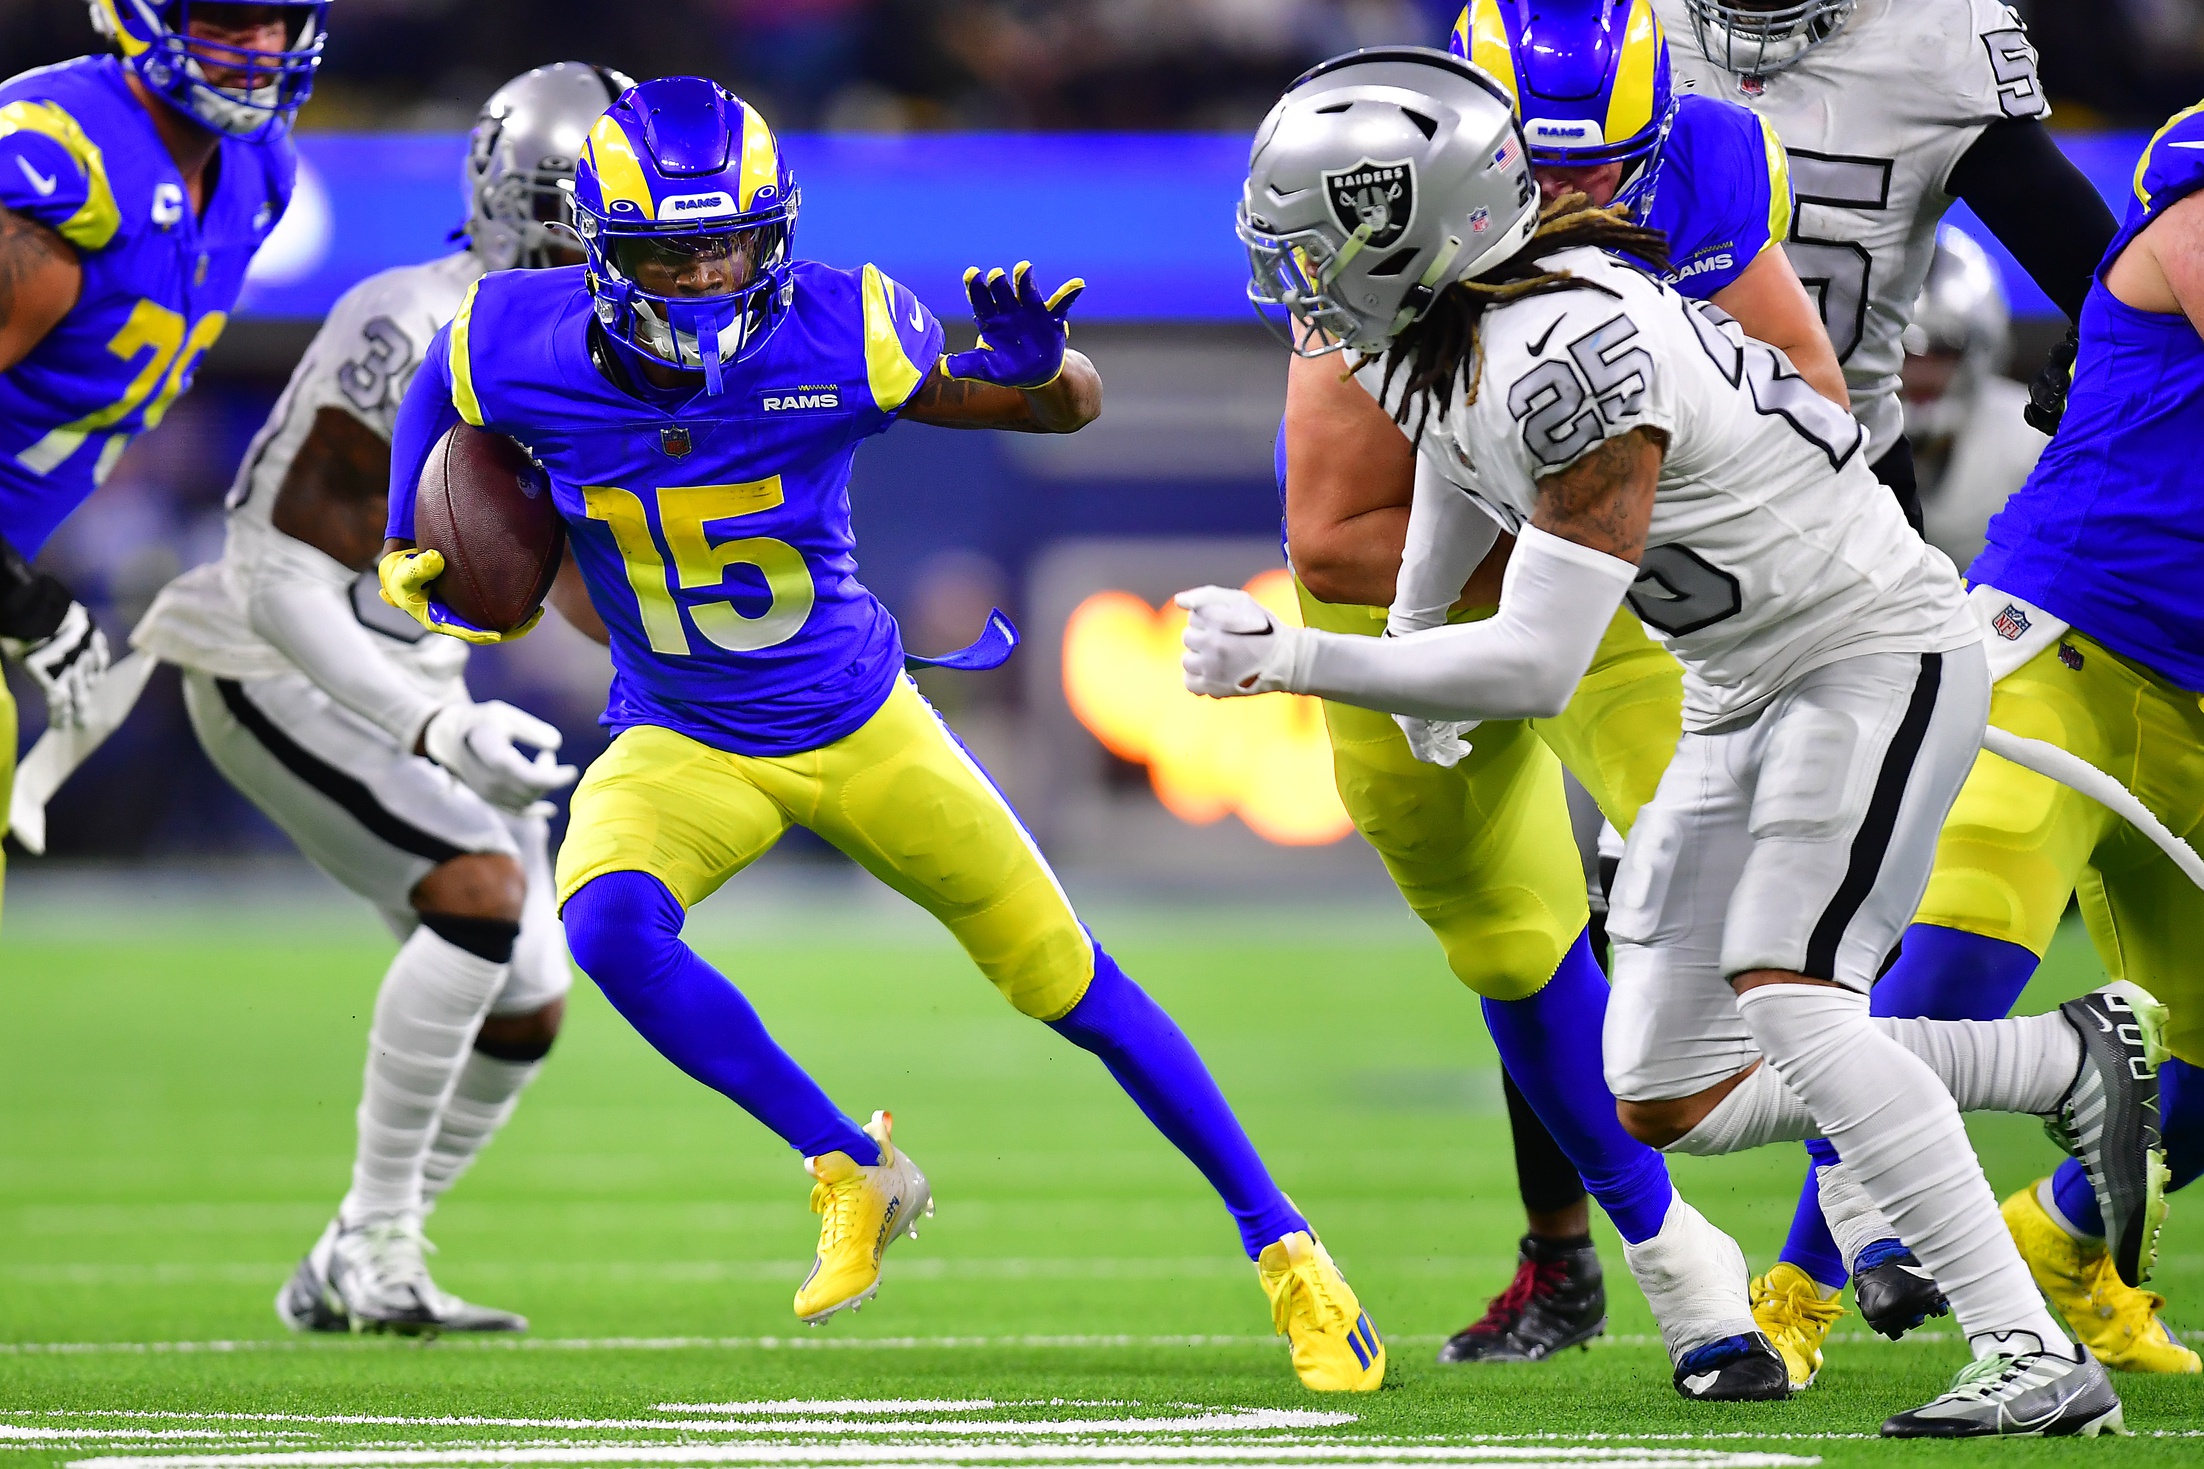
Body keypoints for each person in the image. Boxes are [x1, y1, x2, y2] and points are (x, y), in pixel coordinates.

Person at [1192, 45, 2164, 1434]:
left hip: (1864, 655)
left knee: (1791, 992)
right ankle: (2067, 1064)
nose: (1299, 271)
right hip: (1738, 682)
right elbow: (1467, 473)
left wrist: (1289, 659)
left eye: (1321, 239)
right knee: (1666, 1090)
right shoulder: (1448, 319)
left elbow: (1536, 663)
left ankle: (2028, 1351)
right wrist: (1408, 650)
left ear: (1427, 221)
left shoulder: (1568, 349)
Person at [376, 75, 1385, 1391]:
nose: (705, 273)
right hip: (683, 733)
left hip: (859, 720)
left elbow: (1055, 405)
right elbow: (435, 402)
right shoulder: (511, 335)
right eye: (672, 251)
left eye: (730, 241)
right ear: (606, 254)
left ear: (773, 230)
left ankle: (1292, 1252)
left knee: (1078, 989)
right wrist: (412, 529)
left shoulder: (843, 325)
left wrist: (1047, 373)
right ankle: (850, 1161)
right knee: (608, 928)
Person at [1279, 0, 1835, 1385]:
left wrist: (1631, 531)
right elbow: (1339, 533)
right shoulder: (1368, 199)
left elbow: (1812, 394)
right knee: (1512, 935)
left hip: (1629, 581)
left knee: (1759, 904)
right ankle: (1664, 1261)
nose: (1585, 205)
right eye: (1553, 171)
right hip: (1437, 595)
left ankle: (1853, 1246)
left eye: (1616, 173)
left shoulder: (1705, 166)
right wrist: (1567, 550)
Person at [1656, 0, 2127, 1385]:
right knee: (1660, 1063)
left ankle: (1932, 1287)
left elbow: (2101, 272)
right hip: (1638, 528)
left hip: (1843, 528)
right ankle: (2052, 1068)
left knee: (1794, 963)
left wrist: (2089, 371)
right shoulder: (1588, 39)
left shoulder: (1938, 41)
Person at [132, 62, 633, 1336]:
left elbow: (581, 580)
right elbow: (278, 574)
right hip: (267, 654)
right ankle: (376, 1251)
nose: (640, 254)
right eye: (609, 218)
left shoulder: (613, 357)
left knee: (527, 999)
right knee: (477, 890)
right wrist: (434, 724)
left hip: (413, 672)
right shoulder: (405, 321)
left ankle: (353, 1250)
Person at [1771, 96, 2204, 1382]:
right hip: (2059, 647)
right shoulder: (2190, 202)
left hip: (2190, 699)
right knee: (1957, 961)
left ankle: (2073, 1239)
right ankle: (1795, 1287)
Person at [0, 0, 323, 924]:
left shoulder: (259, 171)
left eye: (279, 21)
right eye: (227, 19)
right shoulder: (63, 168)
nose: (259, 49)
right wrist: (19, 595)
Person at [1656, 0, 2115, 522]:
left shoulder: (1937, 39)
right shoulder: (1608, 26)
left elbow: (2112, 288)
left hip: (1847, 476)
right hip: (1630, 446)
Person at [1902, 229, 2040, 568]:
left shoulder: (2031, 439)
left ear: (1979, 353)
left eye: (1944, 350)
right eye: (1902, 349)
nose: (1922, 373)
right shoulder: (1823, 428)